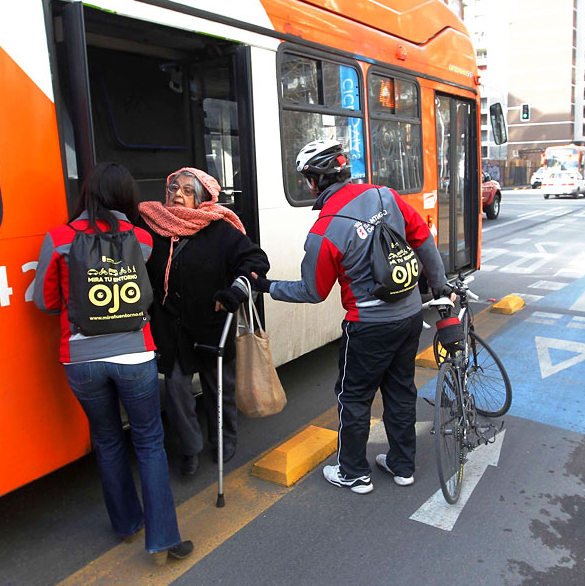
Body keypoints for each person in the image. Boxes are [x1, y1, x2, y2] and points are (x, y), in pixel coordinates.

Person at [251, 140, 452, 494]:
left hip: (368, 326)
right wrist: (439, 287)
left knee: (354, 397)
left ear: (315, 180)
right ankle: (402, 466)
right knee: (401, 391)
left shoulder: (325, 230)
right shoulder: (385, 195)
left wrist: (266, 286)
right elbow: (423, 239)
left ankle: (353, 472)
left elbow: (311, 291)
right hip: (408, 317)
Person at [33, 162, 192, 565]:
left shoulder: (58, 239)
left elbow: (45, 302)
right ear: (126, 197)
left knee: (106, 440)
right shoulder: (141, 239)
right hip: (135, 354)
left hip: (81, 360)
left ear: (86, 195)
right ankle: (164, 538)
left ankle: (125, 524)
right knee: (150, 443)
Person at [139, 167, 269, 476]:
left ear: (202, 199)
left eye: (186, 190)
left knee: (219, 387)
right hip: (171, 326)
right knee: (176, 389)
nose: (177, 195)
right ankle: (190, 448)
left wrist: (235, 289)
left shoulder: (220, 229)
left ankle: (224, 439)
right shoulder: (152, 226)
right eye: (173, 188)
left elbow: (255, 261)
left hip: (212, 322)